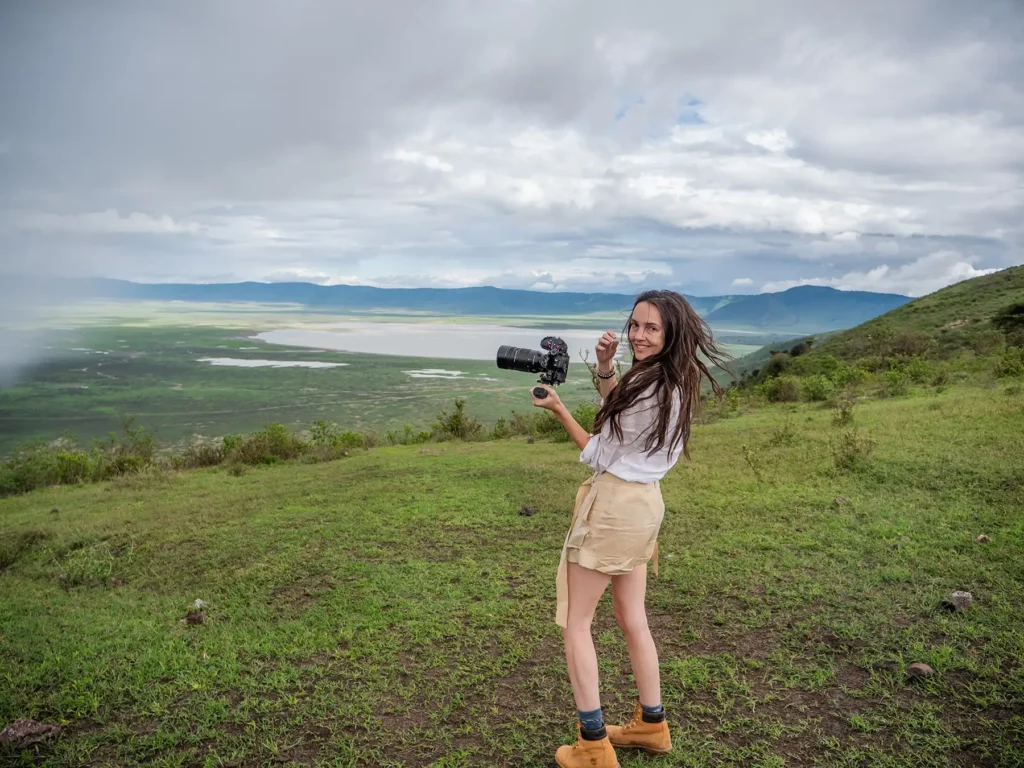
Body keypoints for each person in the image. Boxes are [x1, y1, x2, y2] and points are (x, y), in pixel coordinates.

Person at [529, 290, 731, 768]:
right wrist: (604, 366)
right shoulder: (670, 380)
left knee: (577, 623)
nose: (639, 335)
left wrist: (558, 409)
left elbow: (598, 448)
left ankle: (593, 745)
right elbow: (622, 410)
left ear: (670, 333)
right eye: (635, 325)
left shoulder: (651, 383)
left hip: (615, 505)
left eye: (651, 328)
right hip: (645, 507)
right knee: (632, 618)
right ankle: (651, 724)